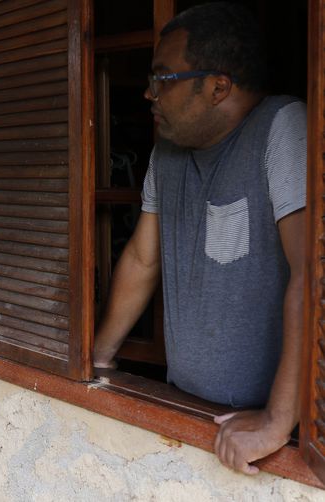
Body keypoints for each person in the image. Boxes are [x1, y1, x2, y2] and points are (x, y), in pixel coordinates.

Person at [93, 2, 306, 475]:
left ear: (218, 86)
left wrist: (277, 420)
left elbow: (312, 272)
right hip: (183, 403)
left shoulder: (282, 128)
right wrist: (96, 358)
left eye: (162, 79)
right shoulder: (167, 151)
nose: (149, 95)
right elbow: (143, 259)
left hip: (267, 433)